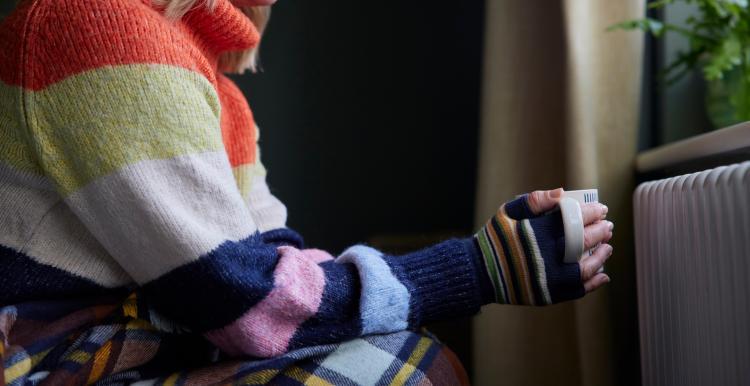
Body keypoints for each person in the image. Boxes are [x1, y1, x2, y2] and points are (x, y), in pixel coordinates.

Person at [0, 0, 613, 384]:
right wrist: (476, 270)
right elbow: (246, 302)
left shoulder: (215, 92)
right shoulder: (96, 24)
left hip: (144, 352)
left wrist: (487, 266)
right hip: (52, 366)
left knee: (405, 356)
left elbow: (275, 268)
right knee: (399, 372)